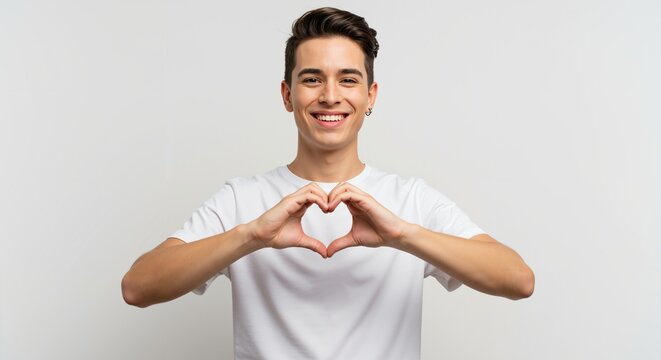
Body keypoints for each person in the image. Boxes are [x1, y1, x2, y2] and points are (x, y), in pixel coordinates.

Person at [121, 7, 535, 359]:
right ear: (287, 95)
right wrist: (251, 236)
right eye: (312, 78)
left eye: (348, 79)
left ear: (371, 96)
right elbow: (138, 287)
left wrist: (403, 235)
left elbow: (518, 280)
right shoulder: (242, 200)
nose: (330, 96)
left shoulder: (410, 200)